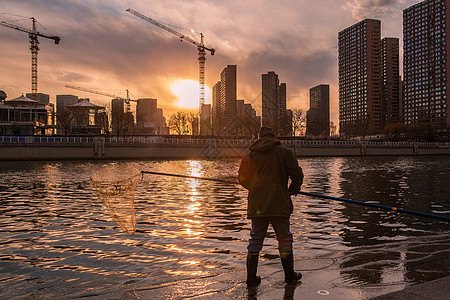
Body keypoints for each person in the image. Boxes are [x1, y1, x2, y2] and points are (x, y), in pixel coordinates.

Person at [238, 126, 303, 287]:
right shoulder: (284, 153)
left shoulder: (250, 156)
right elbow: (297, 175)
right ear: (274, 137)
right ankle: (289, 276)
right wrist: (293, 189)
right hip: (278, 203)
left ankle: (251, 279)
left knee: (255, 240)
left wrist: (255, 188)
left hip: (257, 205)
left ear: (259, 138)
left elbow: (241, 178)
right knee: (284, 239)